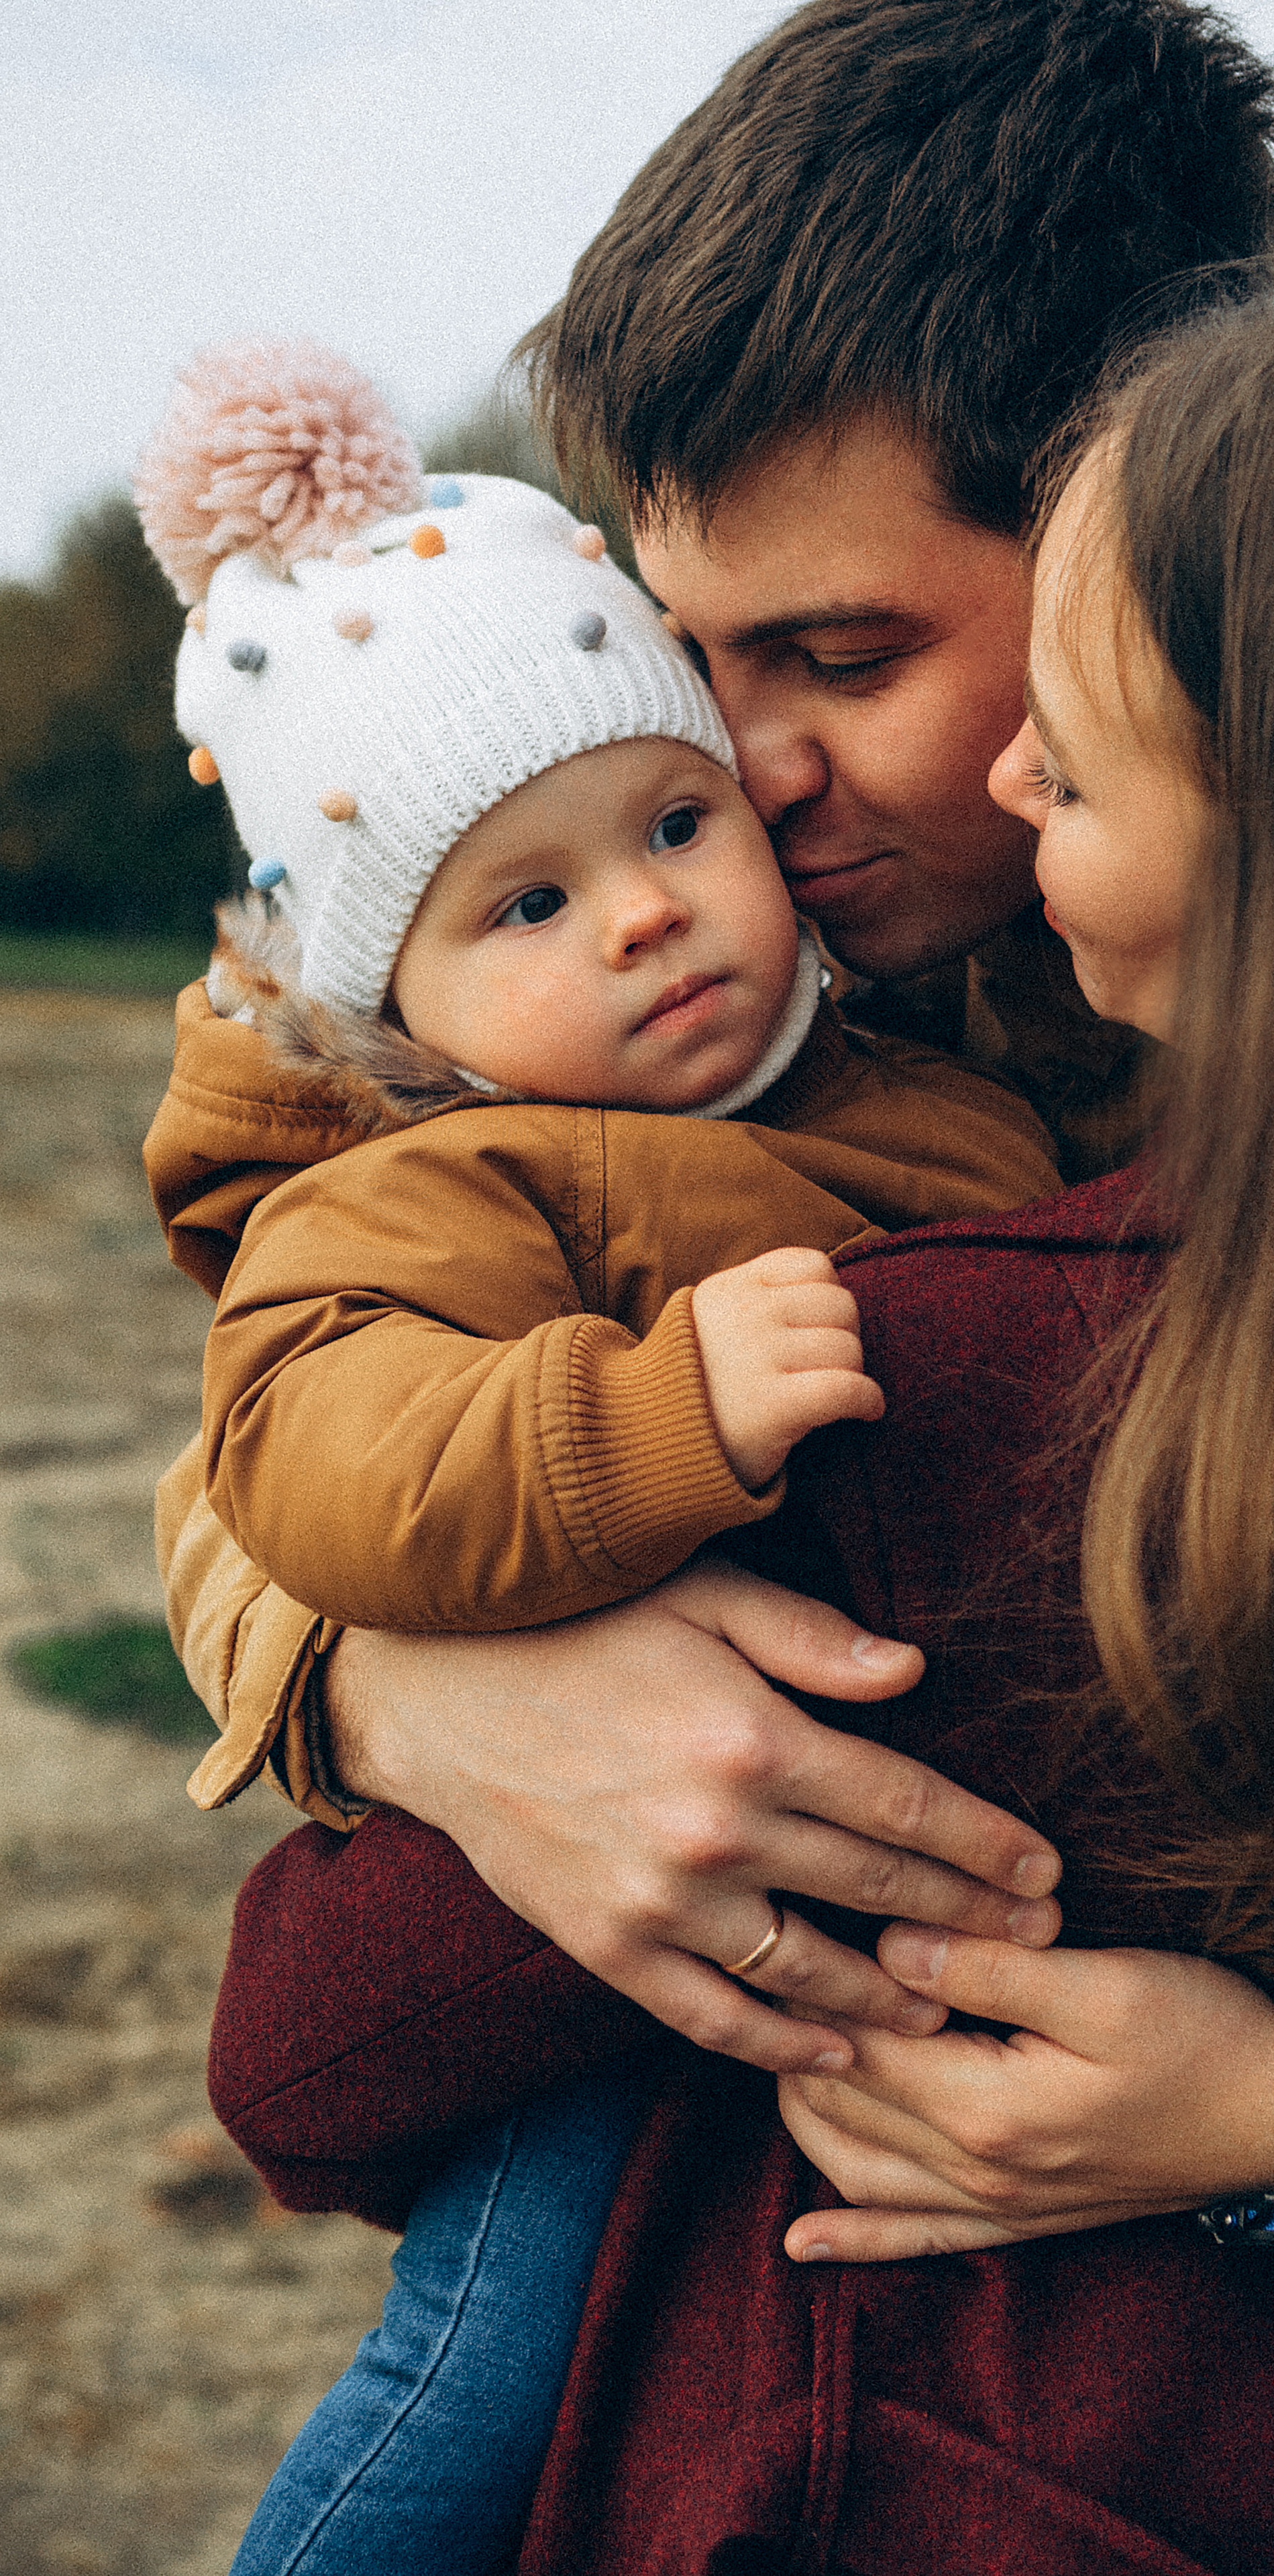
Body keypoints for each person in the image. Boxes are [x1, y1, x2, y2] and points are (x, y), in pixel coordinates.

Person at [158, 0, 1274, 2351]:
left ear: (1144, 517)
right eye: (687, 655)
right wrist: (401, 1691)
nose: (734, 773)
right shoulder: (712, 1011)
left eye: (845, 650)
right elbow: (294, 1377)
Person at [131, 337, 1061, 2569]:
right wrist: (651, 1423)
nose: (643, 912)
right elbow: (312, 1455)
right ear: (399, 1011)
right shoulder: (453, 1183)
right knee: (491, 2367)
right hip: (588, 1984)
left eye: (673, 824)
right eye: (526, 906)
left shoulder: (931, 1085)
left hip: (872, 1901)